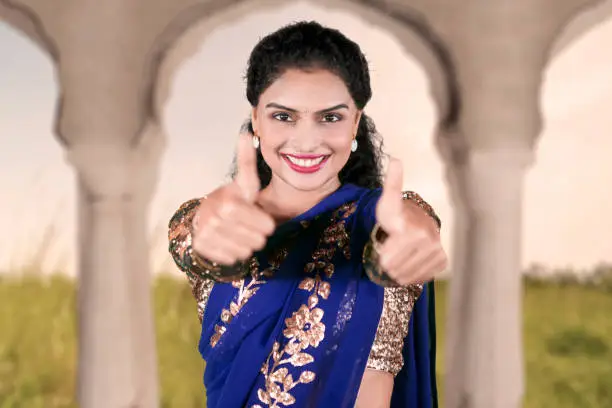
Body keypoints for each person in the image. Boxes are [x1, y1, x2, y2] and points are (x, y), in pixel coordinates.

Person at [168, 21, 447, 408]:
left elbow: (413, 223)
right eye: (283, 116)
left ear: (355, 121)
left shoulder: (378, 220)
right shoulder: (217, 224)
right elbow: (192, 238)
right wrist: (203, 228)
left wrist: (417, 230)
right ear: (256, 120)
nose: (306, 141)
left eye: (329, 117)